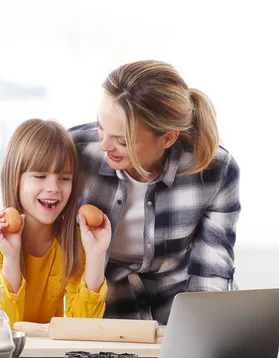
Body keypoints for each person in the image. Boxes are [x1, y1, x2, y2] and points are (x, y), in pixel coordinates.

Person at [71, 60, 241, 325]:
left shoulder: (215, 170)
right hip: (97, 318)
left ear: (168, 139)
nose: (104, 145)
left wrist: (199, 337)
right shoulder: (75, 154)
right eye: (101, 126)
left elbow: (211, 273)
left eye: (122, 140)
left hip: (177, 318)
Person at [0, 118, 112, 328]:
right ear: (15, 179)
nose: (53, 188)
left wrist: (96, 256)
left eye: (64, 178)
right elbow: (0, 326)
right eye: (40, 176)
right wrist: (11, 257)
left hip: (36, 355)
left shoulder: (73, 241)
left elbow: (83, 328)